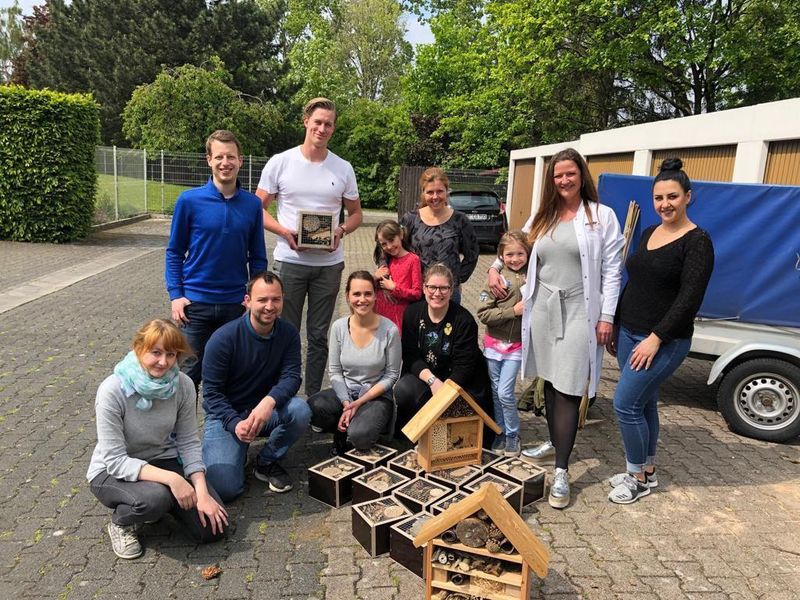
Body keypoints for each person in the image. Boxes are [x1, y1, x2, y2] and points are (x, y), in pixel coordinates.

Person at [507, 148, 623, 509]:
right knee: (550, 380)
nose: (564, 180)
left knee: (570, 386)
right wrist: (495, 268)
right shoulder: (543, 216)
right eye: (558, 175)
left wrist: (607, 316)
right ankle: (554, 442)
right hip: (544, 307)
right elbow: (516, 246)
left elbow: (613, 271)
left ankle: (561, 470)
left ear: (581, 175)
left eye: (570, 173)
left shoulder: (601, 216)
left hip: (579, 311)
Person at [607, 158, 714, 504]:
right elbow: (635, 282)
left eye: (672, 196)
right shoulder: (650, 232)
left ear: (688, 197)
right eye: (658, 198)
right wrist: (617, 323)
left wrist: (656, 338)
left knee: (625, 405)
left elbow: (689, 300)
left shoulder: (698, 242)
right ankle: (648, 470)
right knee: (645, 403)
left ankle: (636, 477)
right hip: (629, 333)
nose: (665, 204)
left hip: (664, 341)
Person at [87, 319, 228, 560]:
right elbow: (115, 460)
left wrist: (202, 492)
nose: (164, 362)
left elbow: (188, 442)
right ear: (138, 348)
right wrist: (174, 480)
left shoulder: (183, 385)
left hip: (163, 459)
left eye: (171, 354)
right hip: (112, 471)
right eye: (155, 352)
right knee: (155, 499)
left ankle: (166, 504)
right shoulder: (112, 390)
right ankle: (122, 522)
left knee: (214, 529)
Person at [256, 97, 362, 397]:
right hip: (289, 261)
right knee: (283, 331)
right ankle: (281, 396)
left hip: (328, 266)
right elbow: (257, 208)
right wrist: (284, 231)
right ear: (306, 122)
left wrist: (340, 230)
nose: (322, 128)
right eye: (317, 122)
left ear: (333, 128)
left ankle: (313, 399)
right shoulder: (281, 162)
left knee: (318, 336)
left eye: (328, 124)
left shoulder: (343, 168)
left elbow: (356, 214)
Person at [165, 130, 267, 391]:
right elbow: (174, 252)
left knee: (230, 375)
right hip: (194, 305)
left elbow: (257, 257)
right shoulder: (189, 201)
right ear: (208, 160)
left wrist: (253, 298)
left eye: (231, 157)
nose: (225, 163)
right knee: (187, 377)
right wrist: (176, 295)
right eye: (219, 157)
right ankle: (182, 420)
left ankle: (223, 420)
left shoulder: (252, 205)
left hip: (235, 305)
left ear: (240, 160)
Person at [201, 271, 311, 500]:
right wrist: (235, 423)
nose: (269, 306)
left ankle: (266, 461)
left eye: (275, 299)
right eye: (262, 300)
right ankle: (236, 451)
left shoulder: (289, 333)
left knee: (300, 410)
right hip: (226, 416)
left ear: (283, 300)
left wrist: (269, 402)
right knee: (224, 489)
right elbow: (211, 394)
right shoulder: (223, 339)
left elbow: (292, 376)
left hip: (264, 412)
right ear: (247, 301)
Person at [394, 264, 494, 438]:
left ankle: (441, 434)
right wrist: (433, 382)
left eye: (443, 288)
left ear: (451, 290)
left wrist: (444, 391)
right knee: (404, 389)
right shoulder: (412, 313)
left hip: (460, 381)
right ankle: (420, 431)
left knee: (457, 423)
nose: (437, 293)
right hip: (428, 376)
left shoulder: (464, 320)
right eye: (432, 287)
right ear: (424, 288)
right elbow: (410, 355)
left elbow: (464, 367)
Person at [308, 271, 402, 455]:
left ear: (375, 296)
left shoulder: (389, 329)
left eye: (368, 294)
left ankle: (364, 427)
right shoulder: (339, 327)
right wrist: (347, 403)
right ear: (347, 296)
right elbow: (335, 371)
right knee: (313, 407)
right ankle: (341, 431)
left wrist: (359, 403)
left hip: (375, 396)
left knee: (360, 436)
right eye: (356, 294)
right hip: (346, 392)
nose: (362, 299)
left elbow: (391, 375)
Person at [477, 231, 530, 457]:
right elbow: (483, 313)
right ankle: (500, 431)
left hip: (516, 346)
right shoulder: (495, 279)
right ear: (501, 255)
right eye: (509, 254)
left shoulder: (532, 275)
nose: (515, 259)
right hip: (493, 346)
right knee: (496, 391)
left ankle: (512, 435)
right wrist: (513, 311)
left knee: (505, 392)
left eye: (520, 254)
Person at [400, 168, 480, 305]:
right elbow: (393, 247)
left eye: (440, 191)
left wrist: (456, 279)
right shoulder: (410, 219)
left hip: (447, 293)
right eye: (430, 192)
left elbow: (472, 254)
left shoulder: (460, 220)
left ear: (447, 191)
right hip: (416, 291)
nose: (435, 197)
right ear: (423, 193)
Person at [373, 219, 423, 333]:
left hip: (398, 316)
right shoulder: (385, 260)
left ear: (400, 235)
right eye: (384, 244)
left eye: (391, 240)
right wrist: (375, 277)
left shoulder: (413, 260)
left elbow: (417, 293)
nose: (389, 246)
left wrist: (394, 288)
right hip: (379, 313)